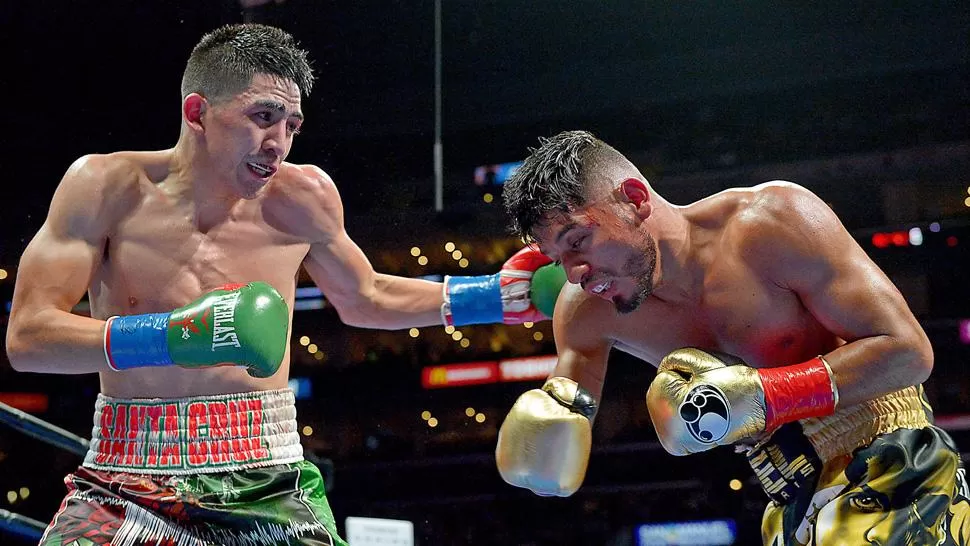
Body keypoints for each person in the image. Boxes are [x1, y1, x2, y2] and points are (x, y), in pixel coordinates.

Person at [4, 23, 564, 546]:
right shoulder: (105, 187)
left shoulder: (304, 198)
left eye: (292, 125)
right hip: (127, 471)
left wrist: (491, 296)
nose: (279, 142)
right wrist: (168, 334)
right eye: (263, 117)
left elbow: (364, 296)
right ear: (197, 112)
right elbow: (27, 338)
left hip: (267, 470)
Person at [493, 130, 970, 545]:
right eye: (557, 259)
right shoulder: (586, 314)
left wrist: (767, 395)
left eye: (578, 241)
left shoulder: (771, 223)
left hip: (890, 457)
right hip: (785, 492)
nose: (575, 273)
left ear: (635, 199)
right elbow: (558, 440)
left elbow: (908, 351)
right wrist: (544, 448)